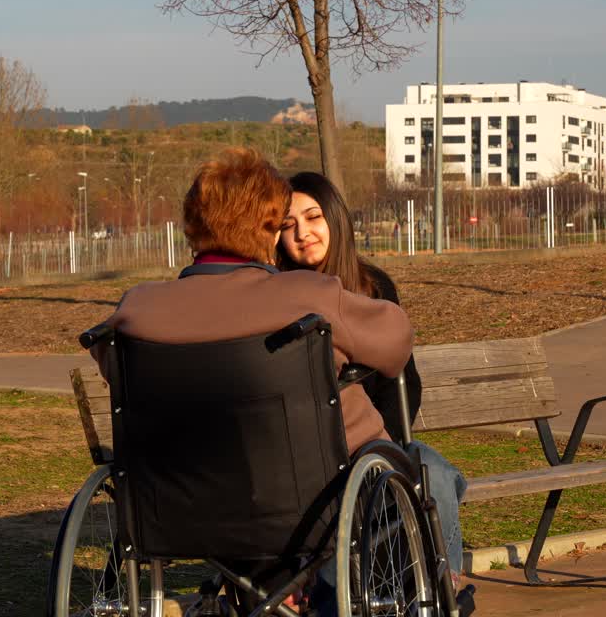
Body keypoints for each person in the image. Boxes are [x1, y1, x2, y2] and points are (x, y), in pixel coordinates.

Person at [93, 148, 414, 613]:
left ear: (192, 224)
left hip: (177, 503)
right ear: (269, 227)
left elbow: (111, 367)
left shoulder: (138, 309)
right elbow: (395, 342)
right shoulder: (309, 297)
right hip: (311, 499)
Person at [277, 170, 470, 583]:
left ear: (334, 218)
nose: (302, 233)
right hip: (307, 457)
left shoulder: (373, 287)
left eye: (312, 217)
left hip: (375, 442)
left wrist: (388, 446)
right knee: (429, 478)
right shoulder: (277, 294)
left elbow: (404, 381)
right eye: (287, 225)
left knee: (432, 474)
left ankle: (442, 587)